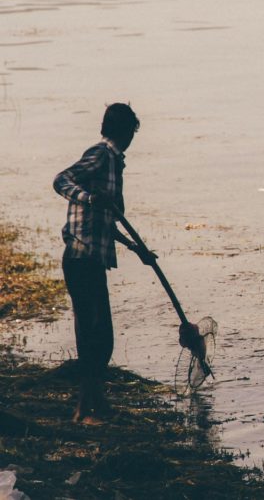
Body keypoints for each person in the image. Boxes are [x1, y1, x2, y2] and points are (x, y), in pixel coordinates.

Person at [52, 102, 155, 424]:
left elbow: (107, 222)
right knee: (95, 335)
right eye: (132, 132)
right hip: (80, 257)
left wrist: (136, 248)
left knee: (100, 335)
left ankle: (98, 403)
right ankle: (83, 410)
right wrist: (90, 198)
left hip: (93, 258)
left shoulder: (114, 164)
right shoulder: (101, 155)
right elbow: (62, 180)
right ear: (126, 131)